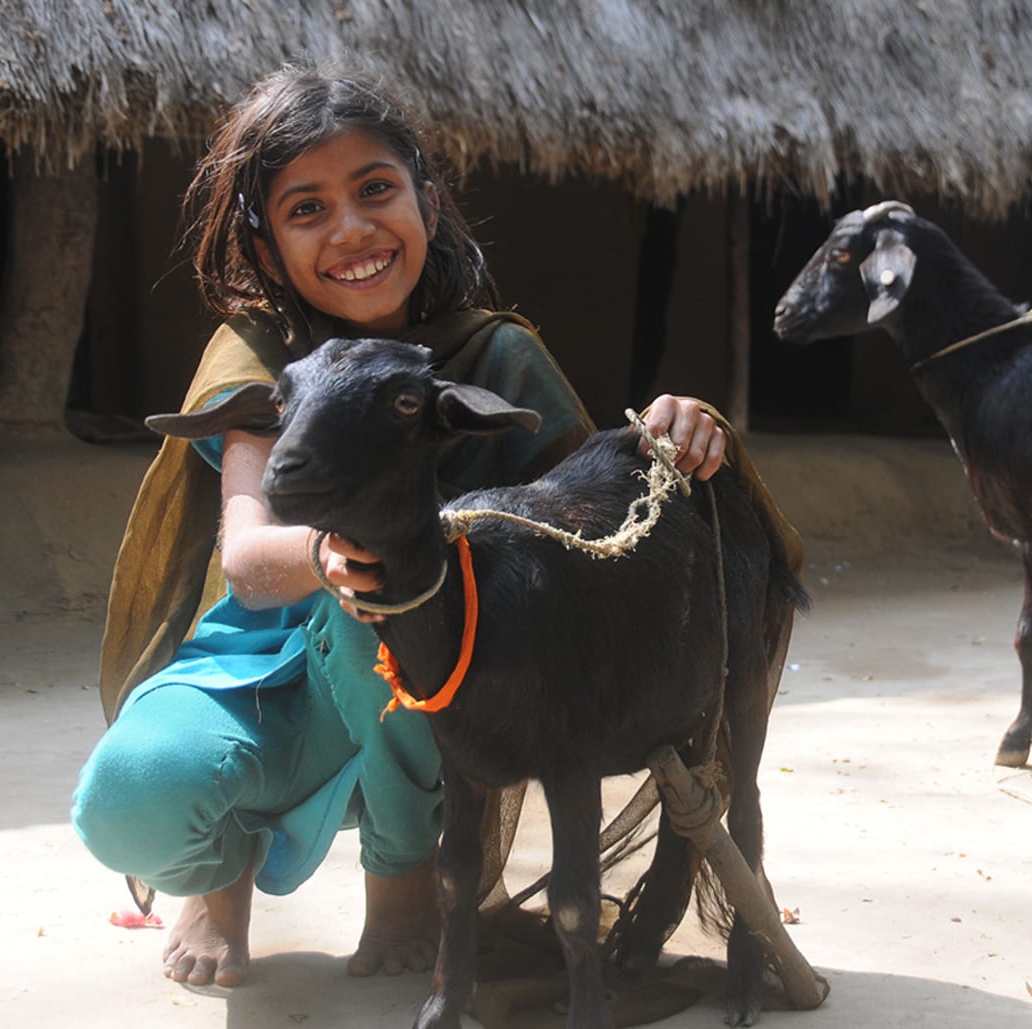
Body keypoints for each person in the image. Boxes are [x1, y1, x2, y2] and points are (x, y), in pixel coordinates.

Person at [71, 64, 790, 989]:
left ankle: (406, 880)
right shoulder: (259, 358)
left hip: (430, 694)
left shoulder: (494, 355)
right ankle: (217, 881)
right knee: (128, 795)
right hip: (253, 680)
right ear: (263, 245)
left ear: (428, 202)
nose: (352, 228)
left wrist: (673, 430)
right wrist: (334, 555)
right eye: (306, 209)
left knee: (402, 598)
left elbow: (590, 514)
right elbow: (249, 562)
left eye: (375, 190)